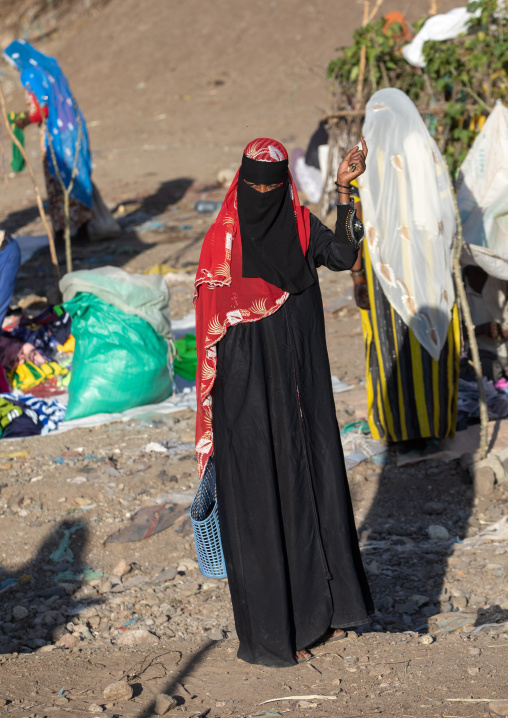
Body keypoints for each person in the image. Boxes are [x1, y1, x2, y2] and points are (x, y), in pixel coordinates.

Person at [194, 137, 373, 667]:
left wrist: (346, 190)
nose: (263, 195)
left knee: (313, 488)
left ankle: (328, 611)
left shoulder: (300, 225)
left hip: (304, 393)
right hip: (247, 405)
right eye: (254, 186)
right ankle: (274, 634)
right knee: (262, 504)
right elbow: (208, 336)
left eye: (272, 187)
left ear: (286, 187)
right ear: (239, 183)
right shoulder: (221, 248)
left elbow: (345, 253)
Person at [350, 88, 459, 447]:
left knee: (387, 342)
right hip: (426, 261)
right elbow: (445, 212)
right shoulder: (423, 152)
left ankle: (395, 428)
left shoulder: (364, 157)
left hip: (381, 267)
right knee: (425, 334)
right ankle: (433, 423)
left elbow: (355, 214)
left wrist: (357, 273)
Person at [4, 40, 105, 244]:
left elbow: (42, 110)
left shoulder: (29, 74)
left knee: (58, 179)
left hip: (55, 134)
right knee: (78, 175)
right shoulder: (51, 66)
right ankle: (84, 228)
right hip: (76, 127)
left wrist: (21, 121)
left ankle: (62, 234)